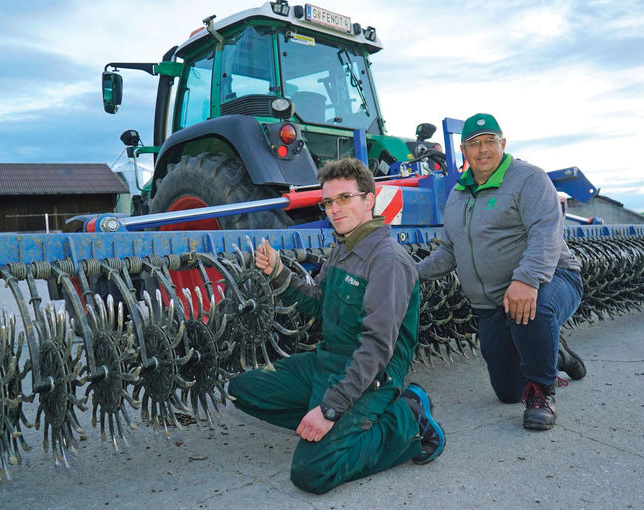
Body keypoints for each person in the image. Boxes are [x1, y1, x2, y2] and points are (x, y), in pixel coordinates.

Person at [228, 157, 445, 494]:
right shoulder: (343, 249)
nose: (333, 208)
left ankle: (408, 421)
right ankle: (339, 425)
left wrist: (330, 408)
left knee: (312, 472)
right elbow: (316, 301)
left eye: (344, 198)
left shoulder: (387, 260)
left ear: (369, 200)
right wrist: (279, 272)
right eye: (328, 201)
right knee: (244, 390)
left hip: (373, 373)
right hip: (328, 361)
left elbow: (375, 347)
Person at [417, 113, 586, 430]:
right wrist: (410, 273)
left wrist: (526, 279)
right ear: (464, 152)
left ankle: (542, 394)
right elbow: (449, 252)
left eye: (490, 142)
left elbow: (545, 232)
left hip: (552, 280)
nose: (483, 150)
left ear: (503, 144)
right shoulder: (457, 197)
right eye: (474, 144)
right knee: (508, 392)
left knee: (531, 309)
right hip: (492, 304)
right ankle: (554, 354)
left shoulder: (528, 179)